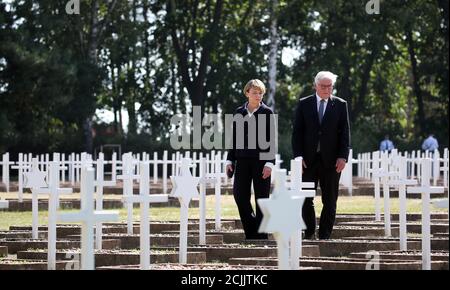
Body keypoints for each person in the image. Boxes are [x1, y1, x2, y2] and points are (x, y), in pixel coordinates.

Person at [291, 71, 350, 240]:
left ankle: (325, 235)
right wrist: (298, 156)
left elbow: (345, 133)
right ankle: (309, 232)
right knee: (305, 199)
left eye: (329, 86)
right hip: (307, 161)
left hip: (331, 161)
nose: (326, 89)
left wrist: (342, 156)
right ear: (315, 85)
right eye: (323, 86)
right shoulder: (304, 104)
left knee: (330, 200)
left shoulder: (340, 104)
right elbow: (297, 133)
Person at [226, 79, 276, 240]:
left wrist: (269, 163)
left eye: (260, 92)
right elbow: (234, 138)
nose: (258, 95)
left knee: (262, 198)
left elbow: (271, 139)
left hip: (261, 162)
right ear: (247, 93)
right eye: (254, 92)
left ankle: (261, 237)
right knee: (239, 195)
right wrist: (229, 160)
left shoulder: (267, 112)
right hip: (242, 160)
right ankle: (251, 232)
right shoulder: (239, 112)